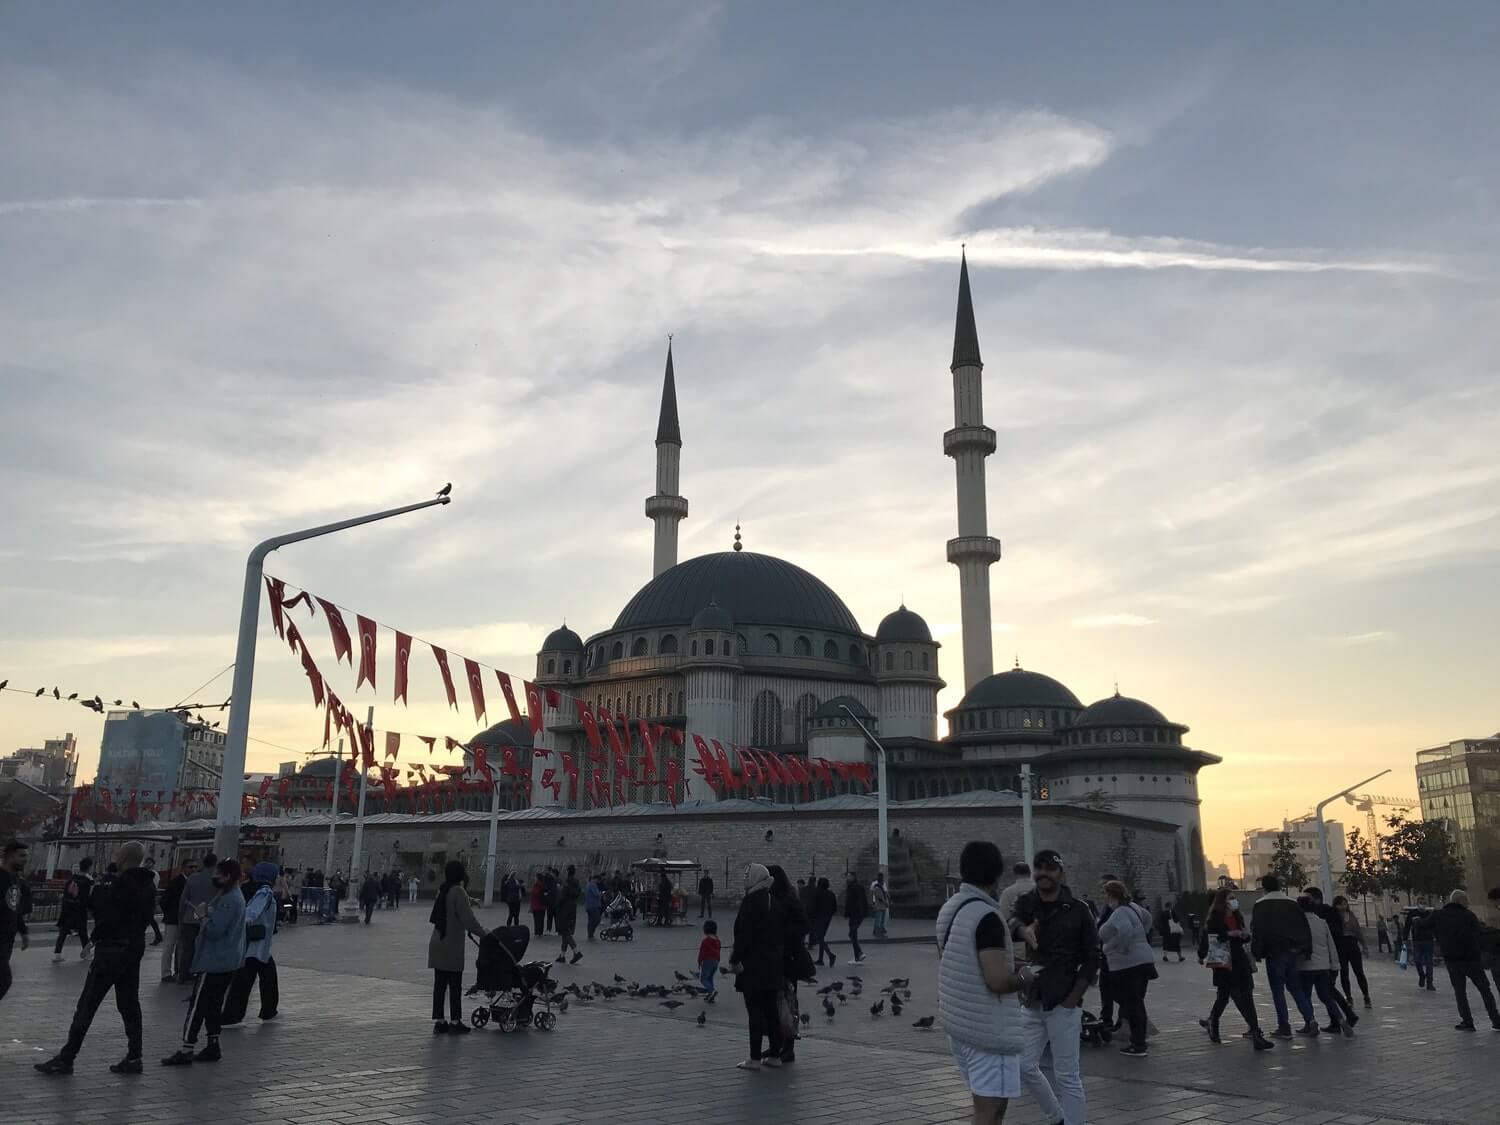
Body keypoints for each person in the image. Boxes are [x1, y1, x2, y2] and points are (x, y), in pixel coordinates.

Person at [34, 841, 157, 1075]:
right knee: (129, 1003)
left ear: (124, 857)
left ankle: (67, 1057)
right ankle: (134, 1055)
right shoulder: (149, 885)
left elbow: (107, 916)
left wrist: (93, 935)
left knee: (88, 1004)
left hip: (111, 949)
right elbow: (146, 917)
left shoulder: (121, 883)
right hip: (134, 947)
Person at [937, 841, 1030, 1125]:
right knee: (990, 1111)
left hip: (961, 1025)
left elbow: (962, 959)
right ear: (997, 873)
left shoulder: (951, 908)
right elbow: (998, 981)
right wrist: (1026, 977)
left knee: (986, 1108)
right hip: (988, 1031)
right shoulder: (987, 916)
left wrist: (1010, 963)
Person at [1012, 849, 1097, 1125]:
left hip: (1063, 1000)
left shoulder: (1078, 910)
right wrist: (1021, 930)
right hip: (1033, 999)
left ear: (1061, 873)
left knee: (1067, 1075)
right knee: (1024, 1065)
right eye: (1039, 868)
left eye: (1049, 868)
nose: (1043, 874)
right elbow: (1009, 921)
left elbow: (1093, 957)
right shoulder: (1027, 903)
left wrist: (1073, 998)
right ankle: (1056, 1117)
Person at [162, 858, 246, 1066]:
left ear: (228, 876)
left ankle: (186, 1048)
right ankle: (213, 1044)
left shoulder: (229, 899)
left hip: (214, 961)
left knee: (198, 1004)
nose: (214, 878)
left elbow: (217, 930)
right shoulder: (232, 896)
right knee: (213, 1005)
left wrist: (203, 916)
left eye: (218, 875)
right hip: (227, 960)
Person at [1199, 888, 1273, 1049]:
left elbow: (1242, 934)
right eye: (1231, 898)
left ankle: (1255, 1033)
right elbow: (1212, 937)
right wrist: (1229, 934)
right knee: (1228, 995)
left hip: (1239, 959)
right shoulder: (1214, 919)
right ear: (1222, 901)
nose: (1234, 901)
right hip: (1224, 961)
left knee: (1245, 994)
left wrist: (1244, 935)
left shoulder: (1237, 916)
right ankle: (1216, 1021)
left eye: (1234, 898)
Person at [729, 863, 785, 1070]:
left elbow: (744, 934)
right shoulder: (775, 902)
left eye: (747, 875)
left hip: (753, 965)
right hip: (772, 965)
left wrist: (735, 959)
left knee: (754, 1012)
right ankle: (775, 1054)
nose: (744, 878)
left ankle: (754, 1057)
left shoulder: (751, 901)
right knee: (771, 1011)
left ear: (755, 878)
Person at [1249, 874, 1315, 1039]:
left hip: (1274, 952)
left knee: (1278, 991)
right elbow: (1304, 927)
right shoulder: (1292, 903)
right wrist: (1305, 949)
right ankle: (1310, 1019)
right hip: (1292, 951)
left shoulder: (1261, 905)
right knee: (1295, 988)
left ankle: (1284, 1026)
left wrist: (1256, 952)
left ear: (1263, 887)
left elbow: (1257, 930)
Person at [426, 860, 488, 1035]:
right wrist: (484, 934)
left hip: (437, 942)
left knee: (439, 986)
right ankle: (455, 1021)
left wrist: (471, 901)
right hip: (451, 945)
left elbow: (455, 902)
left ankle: (439, 1021)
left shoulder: (443, 889)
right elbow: (468, 920)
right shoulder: (458, 891)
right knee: (454, 985)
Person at [1097, 879, 1155, 1057]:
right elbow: (1148, 919)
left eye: (1106, 894)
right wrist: (1142, 937)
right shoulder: (1134, 908)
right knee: (1136, 1001)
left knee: (1130, 1001)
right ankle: (1139, 1039)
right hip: (1143, 960)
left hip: (1128, 964)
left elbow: (1126, 931)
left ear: (1112, 895)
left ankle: (1138, 1043)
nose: (1105, 898)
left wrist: (1117, 947)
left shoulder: (1120, 912)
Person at [220, 862, 280, 1026]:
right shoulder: (265, 893)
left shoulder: (250, 888)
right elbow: (251, 913)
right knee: (244, 981)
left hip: (260, 946)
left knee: (268, 977)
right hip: (256, 945)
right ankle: (231, 1017)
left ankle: (269, 1010)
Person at [1432, 889, 1500, 1031]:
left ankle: (1468, 1022)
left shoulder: (1439, 915)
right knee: (1485, 991)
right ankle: (1496, 1020)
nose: (1468, 903)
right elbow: (1481, 932)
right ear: (1461, 901)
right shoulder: (1468, 916)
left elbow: (1423, 925)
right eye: (1466, 900)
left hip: (1452, 961)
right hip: (1472, 960)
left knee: (1460, 993)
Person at [768, 864, 813, 1062]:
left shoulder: (789, 900)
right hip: (773, 958)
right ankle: (775, 1046)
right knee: (772, 1003)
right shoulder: (769, 899)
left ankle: (789, 1046)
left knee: (788, 1002)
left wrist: (783, 935)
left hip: (788, 959)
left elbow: (803, 926)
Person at [1297, 895, 1350, 1038]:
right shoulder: (1322, 923)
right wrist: (1334, 964)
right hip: (1323, 966)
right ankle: (1340, 1019)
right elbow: (1331, 945)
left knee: (1305, 996)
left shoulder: (1298, 923)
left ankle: (1311, 1022)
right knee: (1326, 996)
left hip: (1305, 966)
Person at [1, 840, 34, 1005]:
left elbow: (15, 908)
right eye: (21, 856)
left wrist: (24, 931)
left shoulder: (16, 880)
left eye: (26, 856)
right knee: (4, 980)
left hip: (7, 939)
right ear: (9, 856)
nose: (25, 859)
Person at [176, 853, 217, 983]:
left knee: (187, 948)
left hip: (189, 918)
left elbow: (183, 899)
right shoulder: (216, 880)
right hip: (205, 919)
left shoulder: (192, 878)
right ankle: (199, 973)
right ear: (215, 864)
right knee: (204, 948)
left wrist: (180, 916)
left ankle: (183, 974)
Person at [1332, 895, 1371, 1008]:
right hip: (1341, 945)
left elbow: (1358, 931)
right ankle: (1348, 997)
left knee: (1359, 972)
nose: (1345, 905)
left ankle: (1366, 996)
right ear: (1337, 904)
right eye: (1342, 903)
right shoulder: (1334, 916)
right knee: (1344, 973)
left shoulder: (1352, 915)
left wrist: (1364, 946)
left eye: (1346, 903)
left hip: (1352, 944)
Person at [52, 856, 95, 962]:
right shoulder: (88, 881)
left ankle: (57, 953)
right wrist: (91, 908)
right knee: (83, 932)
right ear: (89, 867)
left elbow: (65, 894)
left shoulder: (71, 878)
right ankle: (86, 954)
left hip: (68, 908)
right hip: (79, 909)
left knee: (63, 932)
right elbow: (87, 897)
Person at [1092, 872, 1118, 1030]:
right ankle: (1106, 1018)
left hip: (1115, 954)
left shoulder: (1120, 908)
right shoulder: (1107, 907)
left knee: (1117, 989)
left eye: (1103, 888)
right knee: (1105, 986)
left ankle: (1123, 1021)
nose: (1101, 892)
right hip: (1107, 954)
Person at [158, 865, 187, 981]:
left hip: (182, 919)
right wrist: (169, 913)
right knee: (169, 946)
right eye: (190, 866)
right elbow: (164, 900)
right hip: (174, 919)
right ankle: (166, 973)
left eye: (195, 867)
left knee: (180, 947)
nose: (193, 869)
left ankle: (177, 971)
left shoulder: (190, 882)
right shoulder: (176, 883)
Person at [555, 865, 582, 965]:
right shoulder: (577, 883)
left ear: (567, 872)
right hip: (573, 908)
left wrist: (556, 904)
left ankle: (576, 952)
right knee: (565, 932)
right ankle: (562, 955)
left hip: (564, 909)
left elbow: (562, 897)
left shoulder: (566, 883)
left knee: (565, 932)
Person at [810, 877, 837, 966]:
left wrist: (811, 916)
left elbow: (813, 907)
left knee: (819, 938)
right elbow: (834, 908)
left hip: (818, 918)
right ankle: (821, 959)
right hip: (827, 918)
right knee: (821, 938)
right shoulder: (831, 894)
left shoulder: (816, 893)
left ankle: (830, 955)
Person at [1409, 908, 1437, 991]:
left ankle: (1429, 983)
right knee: (1417, 960)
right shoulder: (1415, 919)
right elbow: (1412, 931)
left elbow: (1434, 929)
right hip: (1418, 942)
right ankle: (1422, 975)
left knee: (1429, 962)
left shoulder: (1430, 916)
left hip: (1428, 941)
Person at [844, 874, 869, 964]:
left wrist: (847, 913)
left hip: (854, 913)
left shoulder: (852, 887)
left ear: (853, 877)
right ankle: (857, 956)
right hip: (859, 914)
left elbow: (850, 901)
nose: (847, 878)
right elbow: (864, 900)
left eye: (849, 876)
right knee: (853, 934)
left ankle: (859, 954)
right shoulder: (859, 887)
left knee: (852, 934)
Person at [698, 919, 721, 999]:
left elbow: (702, 952)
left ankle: (712, 990)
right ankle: (710, 995)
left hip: (707, 961)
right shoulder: (717, 940)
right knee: (710, 978)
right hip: (715, 961)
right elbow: (718, 951)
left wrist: (699, 961)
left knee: (703, 979)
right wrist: (718, 960)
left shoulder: (706, 941)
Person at [142, 858, 163, 945]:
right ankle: (158, 936)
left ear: (153, 864)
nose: (147, 864)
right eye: (146, 862)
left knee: (149, 918)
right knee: (149, 919)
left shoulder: (154, 874)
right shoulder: (147, 873)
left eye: (149, 862)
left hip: (149, 898)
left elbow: (152, 886)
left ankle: (158, 936)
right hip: (147, 898)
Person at [870, 873, 891, 939]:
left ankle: (880, 932)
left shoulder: (881, 886)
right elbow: (880, 898)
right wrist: (886, 903)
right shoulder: (877, 887)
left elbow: (885, 893)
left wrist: (888, 900)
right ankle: (877, 933)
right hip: (879, 906)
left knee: (881, 920)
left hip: (882, 906)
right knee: (878, 921)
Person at [584, 874, 603, 941]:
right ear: (596, 879)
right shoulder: (593, 885)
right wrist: (601, 893)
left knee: (590, 921)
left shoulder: (588, 884)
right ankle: (591, 933)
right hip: (593, 906)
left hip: (588, 905)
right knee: (597, 920)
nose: (598, 882)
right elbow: (596, 894)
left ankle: (590, 935)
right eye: (598, 880)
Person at [529, 872, 546, 937]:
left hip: (537, 905)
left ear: (538, 878)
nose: (534, 878)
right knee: (541, 920)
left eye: (535, 877)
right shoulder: (543, 884)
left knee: (537, 920)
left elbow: (535, 894)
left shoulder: (537, 885)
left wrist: (531, 906)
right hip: (542, 905)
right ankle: (540, 932)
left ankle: (538, 932)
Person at [543, 868, 559, 933]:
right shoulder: (549, 880)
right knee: (550, 916)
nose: (550, 874)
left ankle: (557, 929)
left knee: (556, 916)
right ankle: (549, 929)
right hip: (550, 901)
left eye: (552, 873)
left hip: (555, 901)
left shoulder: (558, 880)